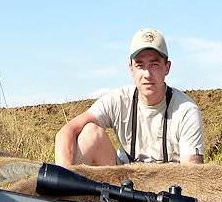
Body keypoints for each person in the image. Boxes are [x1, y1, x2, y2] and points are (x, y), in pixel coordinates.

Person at [54, 28, 204, 166]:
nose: (147, 74)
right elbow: (67, 131)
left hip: (167, 187)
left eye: (154, 64)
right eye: (140, 65)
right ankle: (65, 192)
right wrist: (64, 175)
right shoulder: (118, 100)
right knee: (90, 133)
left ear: (167, 67)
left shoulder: (186, 111)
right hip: (122, 184)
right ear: (131, 69)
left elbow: (192, 171)